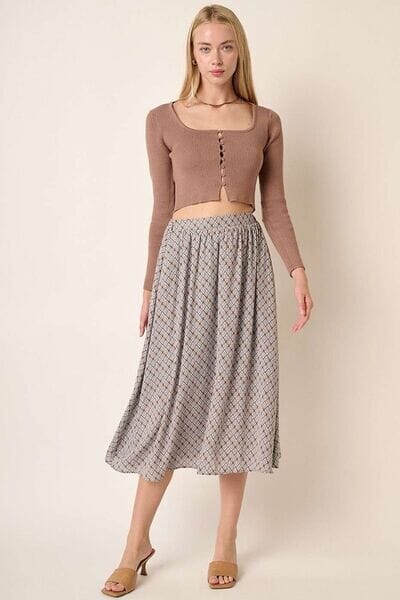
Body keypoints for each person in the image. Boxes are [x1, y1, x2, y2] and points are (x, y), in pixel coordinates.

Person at [102, 4, 314, 595]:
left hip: (246, 264)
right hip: (183, 264)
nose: (215, 58)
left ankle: (225, 541)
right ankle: (135, 544)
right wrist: (149, 286)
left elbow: (275, 204)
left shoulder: (266, 120)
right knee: (167, 399)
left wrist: (297, 271)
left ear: (238, 51)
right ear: (191, 54)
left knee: (239, 395)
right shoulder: (162, 119)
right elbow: (161, 209)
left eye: (225, 46)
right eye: (204, 47)